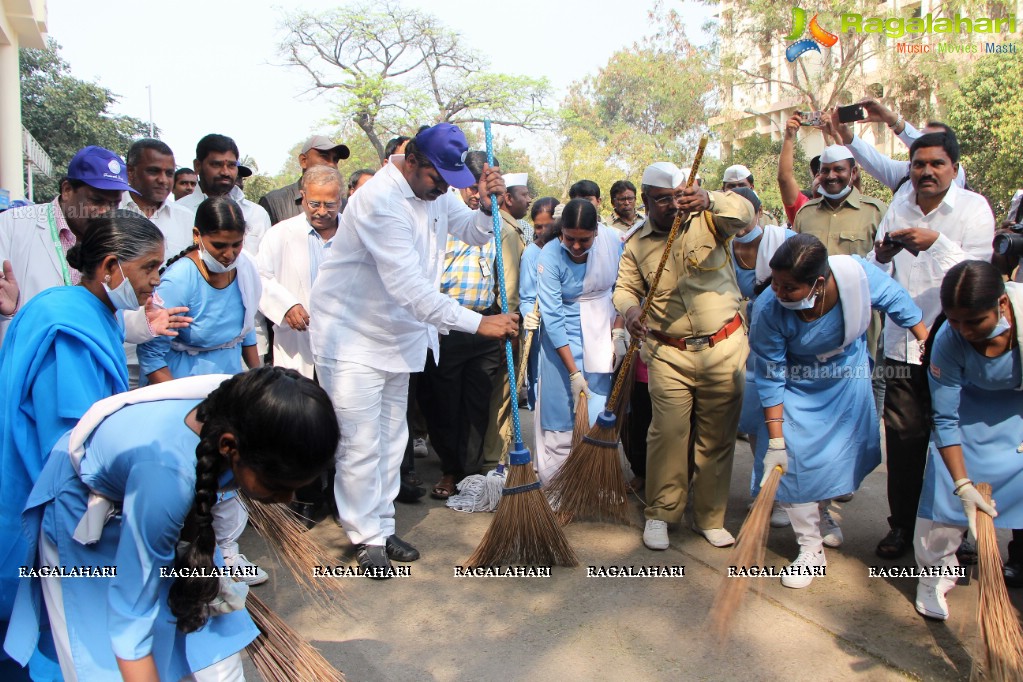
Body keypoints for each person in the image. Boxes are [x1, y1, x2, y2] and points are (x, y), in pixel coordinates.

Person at [3, 367, 340, 681]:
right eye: (278, 484)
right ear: (229, 449)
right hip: (87, 517)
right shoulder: (168, 478)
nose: (287, 499)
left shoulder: (242, 411)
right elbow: (128, 619)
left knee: (205, 649)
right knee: (105, 660)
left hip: (155, 502)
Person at [310, 123, 518, 576]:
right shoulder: (378, 202)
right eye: (436, 179)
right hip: (352, 340)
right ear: (413, 160)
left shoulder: (434, 190)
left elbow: (477, 233)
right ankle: (365, 536)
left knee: (390, 441)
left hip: (397, 337)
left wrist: (486, 205)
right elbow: (408, 287)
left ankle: (381, 527)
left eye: (449, 182)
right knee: (360, 443)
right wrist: (478, 322)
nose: (443, 189)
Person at [0, 212, 169, 681]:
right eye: (150, 268)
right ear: (112, 266)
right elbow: (69, 442)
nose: (156, 282)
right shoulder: (70, 330)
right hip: (42, 498)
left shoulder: (81, 309)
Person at [751, 234, 926, 588]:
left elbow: (897, 300)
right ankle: (810, 548)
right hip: (797, 385)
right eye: (775, 283)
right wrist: (775, 440)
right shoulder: (769, 309)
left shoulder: (856, 276)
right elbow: (770, 376)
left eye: (789, 287)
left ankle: (823, 512)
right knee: (794, 462)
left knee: (838, 458)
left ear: (819, 282)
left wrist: (926, 342)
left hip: (848, 376)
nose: (779, 293)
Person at [614, 162, 754, 551]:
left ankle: (709, 517)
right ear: (645, 201)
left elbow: (746, 213)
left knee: (717, 437)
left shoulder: (711, 220)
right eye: (663, 200)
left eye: (678, 197)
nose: (674, 206)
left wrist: (709, 199)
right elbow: (624, 289)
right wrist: (629, 314)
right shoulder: (635, 243)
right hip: (667, 352)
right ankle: (661, 513)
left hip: (723, 348)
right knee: (667, 434)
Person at [869, 130, 995, 560]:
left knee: (956, 441)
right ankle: (902, 527)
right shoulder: (898, 205)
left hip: (958, 349)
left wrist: (937, 244)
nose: (925, 172)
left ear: (954, 168)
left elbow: (981, 274)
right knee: (903, 444)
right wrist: (882, 259)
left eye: (936, 164)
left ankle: (961, 535)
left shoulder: (975, 209)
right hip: (901, 348)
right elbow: (876, 275)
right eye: (918, 164)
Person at [138, 196, 264, 583]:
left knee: (228, 470)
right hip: (183, 385)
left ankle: (225, 549)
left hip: (228, 381)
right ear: (197, 236)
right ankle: (184, 553)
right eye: (219, 245)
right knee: (189, 475)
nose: (228, 255)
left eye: (236, 245)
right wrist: (181, 409)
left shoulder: (246, 272)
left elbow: (246, 336)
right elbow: (152, 356)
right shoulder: (178, 281)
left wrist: (262, 381)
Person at [914, 261, 1023, 619]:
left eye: (974, 322)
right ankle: (934, 577)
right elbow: (944, 417)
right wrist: (962, 484)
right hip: (968, 414)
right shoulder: (949, 338)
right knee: (945, 493)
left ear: (1002, 306)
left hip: (1017, 416)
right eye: (954, 320)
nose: (963, 330)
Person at [419, 152, 503, 498]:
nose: (474, 193)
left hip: (484, 324)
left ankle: (470, 474)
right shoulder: (442, 215)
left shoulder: (494, 220)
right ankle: (450, 470)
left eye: (481, 186)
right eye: (469, 185)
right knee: (444, 404)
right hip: (446, 326)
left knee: (477, 403)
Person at [527, 199, 624, 483]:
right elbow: (553, 318)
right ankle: (556, 485)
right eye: (570, 238)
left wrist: (618, 331)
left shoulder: (611, 244)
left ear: (596, 232)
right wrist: (573, 371)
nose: (577, 246)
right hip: (561, 348)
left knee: (596, 415)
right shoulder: (550, 256)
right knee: (559, 418)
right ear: (561, 232)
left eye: (584, 240)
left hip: (599, 338)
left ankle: (592, 484)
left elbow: (624, 289)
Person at [0, 146, 131, 344]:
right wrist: (11, 309)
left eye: (114, 204)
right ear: (67, 190)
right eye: (97, 200)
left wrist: (145, 323)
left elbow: (115, 316)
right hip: (27, 360)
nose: (105, 211)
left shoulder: (114, 238)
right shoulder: (12, 224)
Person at [728, 188, 796, 529]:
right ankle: (762, 488)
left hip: (777, 338)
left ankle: (775, 495)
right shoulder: (722, 246)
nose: (739, 222)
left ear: (759, 212)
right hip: (737, 342)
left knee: (777, 421)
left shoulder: (784, 240)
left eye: (746, 213)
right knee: (755, 420)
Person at [257, 166, 342, 380]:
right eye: (314, 204)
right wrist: (285, 305)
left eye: (329, 204)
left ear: (340, 199)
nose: (322, 211)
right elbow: (259, 277)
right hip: (297, 345)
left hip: (344, 346)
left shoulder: (356, 234)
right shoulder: (279, 235)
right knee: (298, 407)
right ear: (302, 197)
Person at [480, 171, 529, 474]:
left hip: (500, 322)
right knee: (503, 395)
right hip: (507, 323)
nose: (529, 199)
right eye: (524, 194)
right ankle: (493, 459)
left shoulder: (511, 228)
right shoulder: (507, 232)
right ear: (508, 198)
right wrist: (511, 328)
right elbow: (509, 288)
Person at [829, 100, 966, 198]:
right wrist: (843, 132)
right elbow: (871, 159)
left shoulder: (955, 174)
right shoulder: (904, 177)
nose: (926, 172)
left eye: (935, 140)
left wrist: (892, 119)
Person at [176, 134, 271, 255]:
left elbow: (264, 269)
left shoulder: (257, 214)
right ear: (198, 166)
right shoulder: (179, 213)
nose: (225, 172)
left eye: (231, 165)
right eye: (216, 164)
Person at [519, 197, 560, 411]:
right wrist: (528, 315)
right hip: (541, 334)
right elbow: (526, 297)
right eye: (538, 226)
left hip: (566, 328)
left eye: (548, 225)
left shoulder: (569, 247)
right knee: (542, 387)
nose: (543, 231)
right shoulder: (531, 254)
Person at [259, 135, 351, 225]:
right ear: (303, 160)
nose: (332, 164)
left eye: (335, 160)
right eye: (324, 156)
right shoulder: (274, 202)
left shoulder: (346, 206)